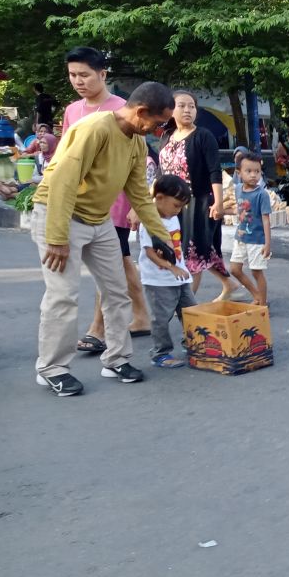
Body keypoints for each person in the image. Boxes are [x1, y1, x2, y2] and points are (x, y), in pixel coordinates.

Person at [31, 82, 178, 397]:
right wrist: (57, 237)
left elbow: (139, 192)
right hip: (59, 213)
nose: (158, 130)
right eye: (158, 122)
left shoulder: (136, 143)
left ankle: (116, 359)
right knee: (63, 295)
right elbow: (62, 181)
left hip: (98, 221)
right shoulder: (95, 129)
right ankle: (52, 368)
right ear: (140, 112)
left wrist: (161, 236)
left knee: (117, 290)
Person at [60, 47, 154, 353]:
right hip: (79, 203)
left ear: (103, 74)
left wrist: (137, 208)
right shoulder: (72, 111)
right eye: (73, 75)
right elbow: (64, 157)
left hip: (114, 204)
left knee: (109, 265)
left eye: (85, 75)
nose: (78, 81)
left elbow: (138, 161)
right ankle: (141, 317)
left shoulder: (124, 108)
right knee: (121, 264)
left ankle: (98, 329)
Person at [155, 89, 233, 300]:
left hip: (197, 204)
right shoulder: (166, 137)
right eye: (181, 105)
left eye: (191, 106)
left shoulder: (203, 136)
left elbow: (214, 171)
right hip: (171, 206)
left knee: (193, 252)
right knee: (192, 250)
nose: (187, 110)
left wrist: (218, 203)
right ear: (171, 110)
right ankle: (228, 284)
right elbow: (161, 172)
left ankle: (186, 303)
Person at [138, 174, 196, 369]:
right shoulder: (150, 221)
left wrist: (180, 267)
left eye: (181, 207)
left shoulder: (172, 218)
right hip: (158, 280)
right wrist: (171, 268)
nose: (178, 210)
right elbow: (150, 253)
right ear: (160, 198)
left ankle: (191, 343)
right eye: (176, 205)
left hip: (180, 278)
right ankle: (160, 353)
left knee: (190, 312)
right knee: (161, 318)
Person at [229, 153, 272, 306]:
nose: (254, 175)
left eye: (257, 171)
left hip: (257, 240)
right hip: (240, 238)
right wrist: (221, 211)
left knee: (256, 271)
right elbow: (239, 210)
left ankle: (263, 304)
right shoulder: (238, 189)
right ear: (238, 173)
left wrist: (267, 243)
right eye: (249, 171)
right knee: (234, 269)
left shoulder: (262, 194)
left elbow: (266, 219)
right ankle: (256, 295)